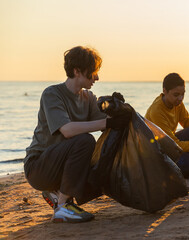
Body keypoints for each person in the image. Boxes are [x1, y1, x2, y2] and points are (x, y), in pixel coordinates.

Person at [24, 46, 130, 223]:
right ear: (77, 71)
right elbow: (67, 130)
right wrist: (107, 122)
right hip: (38, 168)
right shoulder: (52, 94)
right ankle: (63, 206)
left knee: (101, 171)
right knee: (85, 140)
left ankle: (58, 194)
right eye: (94, 71)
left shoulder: (88, 98)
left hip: (61, 167)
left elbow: (107, 124)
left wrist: (115, 107)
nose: (97, 77)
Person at [145, 73, 189, 189]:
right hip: (154, 154)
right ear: (165, 91)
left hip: (167, 144)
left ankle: (188, 179)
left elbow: (186, 123)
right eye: (176, 95)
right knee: (188, 161)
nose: (180, 98)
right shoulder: (157, 111)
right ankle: (165, 179)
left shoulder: (177, 103)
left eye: (183, 94)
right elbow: (174, 145)